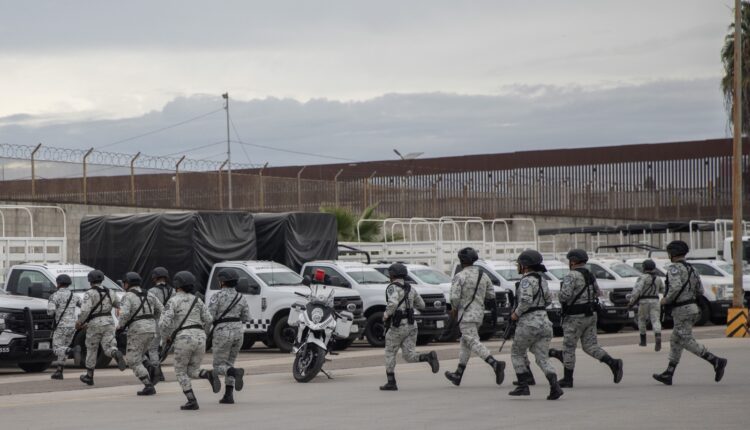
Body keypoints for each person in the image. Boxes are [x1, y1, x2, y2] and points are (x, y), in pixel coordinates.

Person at [653, 241, 727, 385]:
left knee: (685, 340)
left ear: (673, 253)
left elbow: (675, 287)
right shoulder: (692, 269)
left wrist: (665, 300)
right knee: (675, 340)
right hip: (692, 308)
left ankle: (716, 361)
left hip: (682, 310)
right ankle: (669, 373)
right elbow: (700, 290)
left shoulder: (674, 268)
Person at [548, 249, 623, 388]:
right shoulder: (590, 274)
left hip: (575, 317)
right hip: (590, 314)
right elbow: (598, 292)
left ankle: (568, 379)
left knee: (569, 347)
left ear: (573, 261)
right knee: (590, 346)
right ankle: (613, 363)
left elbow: (564, 296)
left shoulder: (571, 276)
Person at [444, 247, 505, 387]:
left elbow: (454, 297)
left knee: (472, 342)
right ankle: (458, 374)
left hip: (465, 315)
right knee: (465, 344)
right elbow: (491, 295)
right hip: (479, 314)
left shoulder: (460, 276)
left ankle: (495, 364)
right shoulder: (483, 275)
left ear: (461, 261)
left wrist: (454, 309)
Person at [159, 271, 218, 410]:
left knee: (180, 371)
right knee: (192, 370)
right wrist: (204, 333)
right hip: (200, 338)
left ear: (177, 284)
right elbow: (209, 319)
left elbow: (163, 324)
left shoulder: (173, 300)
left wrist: (165, 338)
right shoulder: (197, 300)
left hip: (184, 338)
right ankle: (208, 374)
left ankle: (192, 401)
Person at [508, 250, 563, 400]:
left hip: (528, 323)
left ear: (525, 266)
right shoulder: (542, 280)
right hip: (545, 322)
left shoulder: (526, 281)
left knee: (517, 353)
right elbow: (548, 300)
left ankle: (522, 385)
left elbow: (525, 300)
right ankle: (555, 386)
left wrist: (516, 314)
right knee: (542, 357)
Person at [379, 263, 439, 391]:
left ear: (392, 275)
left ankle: (391, 382)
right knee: (408, 355)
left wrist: (385, 315)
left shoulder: (392, 288)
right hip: (412, 325)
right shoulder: (410, 288)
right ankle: (427, 357)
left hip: (397, 326)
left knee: (390, 352)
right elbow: (422, 305)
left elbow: (393, 303)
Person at [77, 269, 126, 386]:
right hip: (109, 322)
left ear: (90, 281)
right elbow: (120, 305)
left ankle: (89, 376)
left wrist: (79, 322)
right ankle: (115, 353)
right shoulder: (110, 292)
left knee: (92, 348)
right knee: (109, 345)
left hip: (94, 324)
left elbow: (85, 310)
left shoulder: (89, 293)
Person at [117, 272, 164, 396]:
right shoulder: (149, 294)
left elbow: (124, 314)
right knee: (140, 353)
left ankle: (148, 385)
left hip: (137, 330)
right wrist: (151, 319)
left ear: (127, 283)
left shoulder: (128, 296)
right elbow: (161, 309)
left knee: (132, 360)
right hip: (151, 328)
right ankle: (152, 369)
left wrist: (120, 325)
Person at [208, 268, 250, 404]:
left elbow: (210, 317)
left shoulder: (216, 296)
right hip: (238, 332)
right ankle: (228, 395)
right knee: (230, 363)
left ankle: (235, 372)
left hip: (222, 332)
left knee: (218, 366)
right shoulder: (241, 297)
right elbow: (247, 317)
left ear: (222, 282)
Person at [47, 274, 82, 380]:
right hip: (72, 326)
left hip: (61, 326)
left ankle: (73, 351)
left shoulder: (54, 296)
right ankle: (59, 371)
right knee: (64, 348)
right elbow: (83, 306)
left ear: (58, 283)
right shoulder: (74, 296)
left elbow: (50, 312)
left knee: (57, 348)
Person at [628, 259, 664, 351]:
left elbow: (637, 290)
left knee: (642, 320)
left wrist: (631, 302)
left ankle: (643, 340)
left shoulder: (642, 277)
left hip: (644, 302)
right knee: (656, 320)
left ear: (644, 268)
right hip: (655, 301)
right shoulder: (658, 278)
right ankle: (658, 335)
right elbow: (663, 290)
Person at [146, 266, 173, 383]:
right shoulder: (173, 291)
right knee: (166, 348)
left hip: (157, 321)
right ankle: (160, 372)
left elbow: (149, 309)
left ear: (154, 278)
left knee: (152, 349)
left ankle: (157, 373)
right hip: (171, 322)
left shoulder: (151, 291)